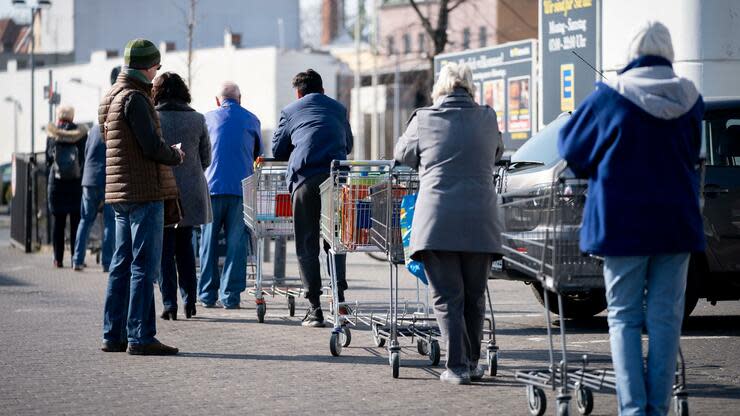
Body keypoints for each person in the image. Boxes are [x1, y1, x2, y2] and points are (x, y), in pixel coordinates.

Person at [558, 21, 704, 415]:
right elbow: (692, 152)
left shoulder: (613, 95)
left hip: (623, 225)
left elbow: (570, 143)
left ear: (632, 53)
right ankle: (657, 407)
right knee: (666, 319)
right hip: (677, 224)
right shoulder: (691, 96)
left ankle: (633, 409)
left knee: (623, 317)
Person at [393, 62, 504, 385]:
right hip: (481, 221)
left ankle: (456, 368)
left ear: (439, 87)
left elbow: (402, 153)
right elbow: (498, 151)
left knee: (447, 297)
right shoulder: (488, 117)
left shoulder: (424, 119)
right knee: (474, 295)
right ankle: (470, 363)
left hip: (437, 221)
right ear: (470, 86)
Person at [99, 39, 184, 355]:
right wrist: (174, 155)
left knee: (121, 263)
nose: (157, 72)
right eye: (156, 66)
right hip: (144, 191)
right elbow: (150, 145)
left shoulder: (109, 97)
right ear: (146, 66)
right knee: (143, 266)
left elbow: (113, 143)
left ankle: (113, 334)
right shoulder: (135, 98)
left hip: (119, 192)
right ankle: (141, 336)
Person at [272, 69, 353, 327]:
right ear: (323, 90)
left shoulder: (290, 110)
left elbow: (277, 148)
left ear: (298, 93)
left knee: (307, 242)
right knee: (335, 240)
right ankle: (339, 300)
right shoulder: (339, 109)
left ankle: (315, 308)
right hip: (336, 179)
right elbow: (348, 144)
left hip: (305, 179)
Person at [153, 72, 212, 320]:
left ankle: (169, 305)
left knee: (164, 250)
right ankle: (190, 302)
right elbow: (206, 158)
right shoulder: (198, 119)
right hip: (190, 192)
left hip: (162, 192)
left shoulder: (153, 117)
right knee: (186, 249)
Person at [199, 81, 261, 309]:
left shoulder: (206, 118)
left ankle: (206, 295)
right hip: (241, 190)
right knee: (237, 244)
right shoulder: (252, 119)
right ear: (240, 98)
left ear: (217, 101)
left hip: (211, 188)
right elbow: (257, 154)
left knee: (208, 242)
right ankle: (231, 297)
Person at [73, 67, 120, 272]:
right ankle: (107, 263)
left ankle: (77, 259)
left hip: (88, 180)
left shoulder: (92, 130)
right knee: (109, 222)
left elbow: (86, 154)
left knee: (85, 220)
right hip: (107, 180)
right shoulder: (114, 129)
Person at [46, 105, 87, 268]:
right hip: (76, 184)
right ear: (72, 116)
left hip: (57, 184)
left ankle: (58, 259)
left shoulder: (52, 135)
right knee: (76, 222)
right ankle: (75, 258)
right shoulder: (81, 135)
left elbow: (49, 159)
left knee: (58, 223)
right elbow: (84, 157)